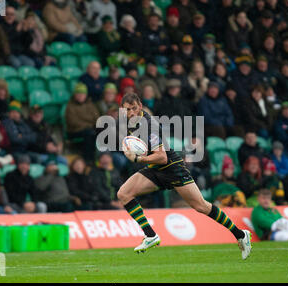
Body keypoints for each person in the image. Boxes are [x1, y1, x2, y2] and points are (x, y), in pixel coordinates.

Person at [117, 93, 251, 257]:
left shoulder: (149, 125)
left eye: (134, 108)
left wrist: (139, 158)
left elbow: (162, 156)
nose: (131, 113)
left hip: (172, 168)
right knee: (124, 193)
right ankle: (151, 235)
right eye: (127, 110)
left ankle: (240, 234)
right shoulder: (130, 122)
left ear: (140, 105)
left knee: (201, 206)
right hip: (155, 169)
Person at [65, 83, 99, 162]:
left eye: (83, 94)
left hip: (90, 129)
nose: (81, 96)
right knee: (89, 134)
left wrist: (89, 124)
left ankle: (104, 157)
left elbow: (97, 118)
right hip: (74, 131)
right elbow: (73, 122)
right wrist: (89, 124)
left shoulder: (90, 104)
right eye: (78, 93)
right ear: (75, 95)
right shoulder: (70, 106)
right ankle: (88, 160)